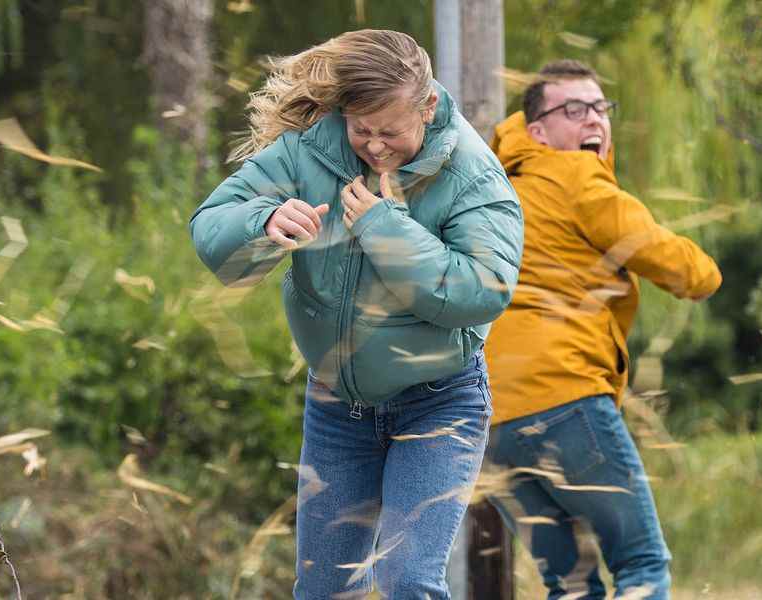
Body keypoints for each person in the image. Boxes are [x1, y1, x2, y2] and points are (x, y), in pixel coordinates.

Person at [189, 29, 523, 599]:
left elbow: (481, 289)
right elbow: (211, 225)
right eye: (360, 129)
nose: (373, 146)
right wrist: (262, 224)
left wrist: (382, 228)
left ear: (428, 107)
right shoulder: (309, 150)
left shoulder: (474, 176)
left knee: (408, 580)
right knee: (324, 591)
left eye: (390, 132)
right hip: (335, 404)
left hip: (439, 402)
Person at [483, 60, 722, 599]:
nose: (593, 120)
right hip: (564, 398)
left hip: (488, 422)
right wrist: (707, 273)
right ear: (537, 130)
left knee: (568, 583)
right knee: (641, 564)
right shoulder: (573, 174)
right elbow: (667, 257)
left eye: (600, 107)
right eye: (573, 109)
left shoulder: (493, 190)